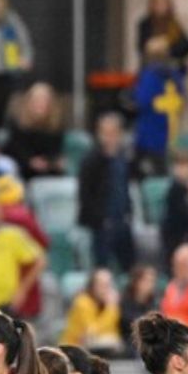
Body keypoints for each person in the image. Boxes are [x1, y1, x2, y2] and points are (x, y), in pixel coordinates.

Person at [77, 113, 135, 271]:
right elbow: (85, 194)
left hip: (122, 220)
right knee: (102, 268)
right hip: (101, 224)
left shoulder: (123, 158)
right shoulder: (91, 160)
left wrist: (129, 212)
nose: (110, 138)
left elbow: (125, 187)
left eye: (114, 133)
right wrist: (100, 219)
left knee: (129, 266)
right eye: (106, 133)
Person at [133, 37, 186, 177]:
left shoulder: (149, 76)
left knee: (145, 176)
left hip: (150, 137)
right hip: (171, 135)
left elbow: (141, 101)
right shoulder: (175, 76)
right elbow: (182, 100)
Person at [3, 82, 66, 181]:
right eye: (37, 100)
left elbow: (55, 150)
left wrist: (55, 161)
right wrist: (30, 161)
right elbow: (14, 149)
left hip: (48, 168)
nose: (41, 103)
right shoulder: (18, 123)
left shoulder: (57, 125)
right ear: (29, 102)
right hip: (22, 166)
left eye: (45, 100)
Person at [61, 267, 123, 354]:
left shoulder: (106, 305)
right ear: (92, 286)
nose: (105, 290)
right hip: (72, 352)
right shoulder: (82, 302)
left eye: (108, 285)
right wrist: (111, 309)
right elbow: (91, 333)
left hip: (96, 351)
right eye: (102, 285)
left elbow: (113, 333)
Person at [136, 0, 188, 66]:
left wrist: (168, 49)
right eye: (158, 3)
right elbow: (141, 47)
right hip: (151, 65)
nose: (161, 7)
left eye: (164, 3)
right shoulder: (145, 24)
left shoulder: (174, 24)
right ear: (152, 5)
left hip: (172, 65)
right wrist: (153, 47)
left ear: (168, 5)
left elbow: (185, 46)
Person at [120, 265, 161, 345]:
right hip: (129, 342)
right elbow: (128, 324)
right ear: (137, 281)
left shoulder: (155, 302)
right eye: (147, 280)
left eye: (153, 281)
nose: (151, 284)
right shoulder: (124, 301)